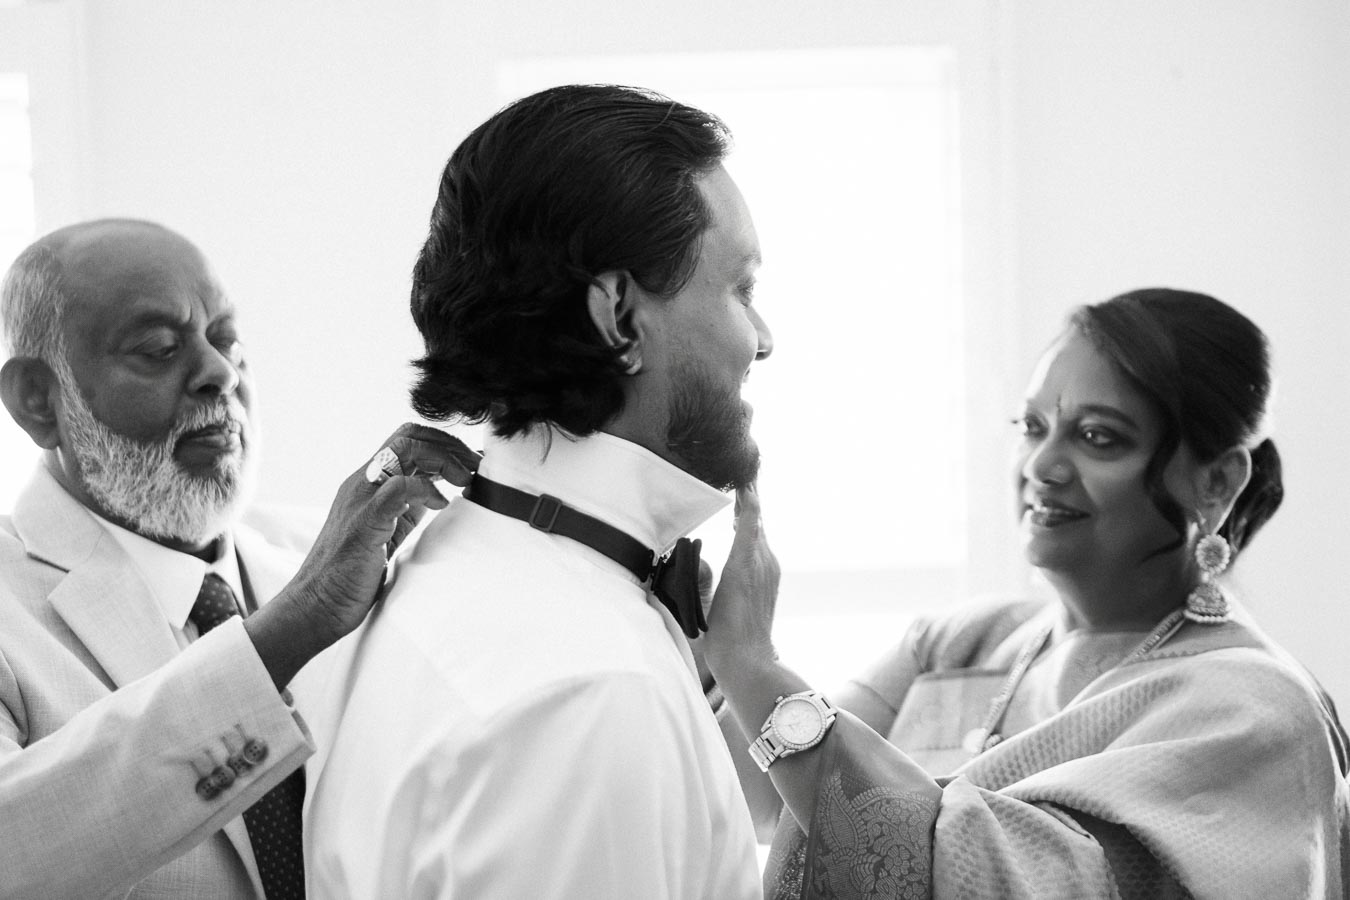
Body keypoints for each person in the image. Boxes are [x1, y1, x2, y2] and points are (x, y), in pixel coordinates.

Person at [704, 288, 1350, 899]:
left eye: (1098, 436)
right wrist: (702, 640)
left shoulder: (1251, 713)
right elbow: (758, 799)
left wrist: (755, 666)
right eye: (1032, 425)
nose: (1042, 466)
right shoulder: (960, 644)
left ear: (1216, 481)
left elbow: (972, 879)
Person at [306, 84, 771, 898]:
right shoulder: (591, 691)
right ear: (620, 315)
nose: (763, 340)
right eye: (741, 289)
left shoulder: (435, 564)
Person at [0, 218, 477, 899]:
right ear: (37, 401)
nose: (219, 373)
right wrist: (286, 635)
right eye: (159, 349)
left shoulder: (327, 555)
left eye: (228, 341)